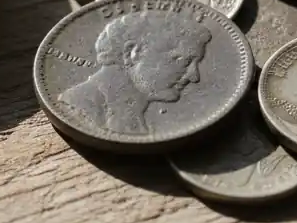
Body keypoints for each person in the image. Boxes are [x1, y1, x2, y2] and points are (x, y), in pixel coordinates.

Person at [59, 11, 212, 137]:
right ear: (132, 53)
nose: (194, 76)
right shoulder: (78, 104)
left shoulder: (132, 116)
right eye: (184, 62)